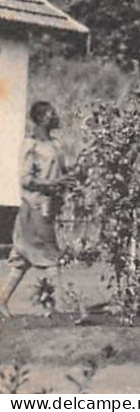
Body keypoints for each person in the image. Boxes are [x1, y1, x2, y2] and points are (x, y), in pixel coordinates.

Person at [1, 102, 71, 318]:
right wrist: (52, 185)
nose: (56, 116)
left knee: (22, 259)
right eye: (51, 114)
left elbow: (62, 172)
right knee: (49, 255)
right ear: (41, 119)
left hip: (48, 208)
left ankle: (3, 299)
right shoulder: (30, 146)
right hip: (34, 208)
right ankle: (55, 307)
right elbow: (26, 179)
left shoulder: (56, 145)